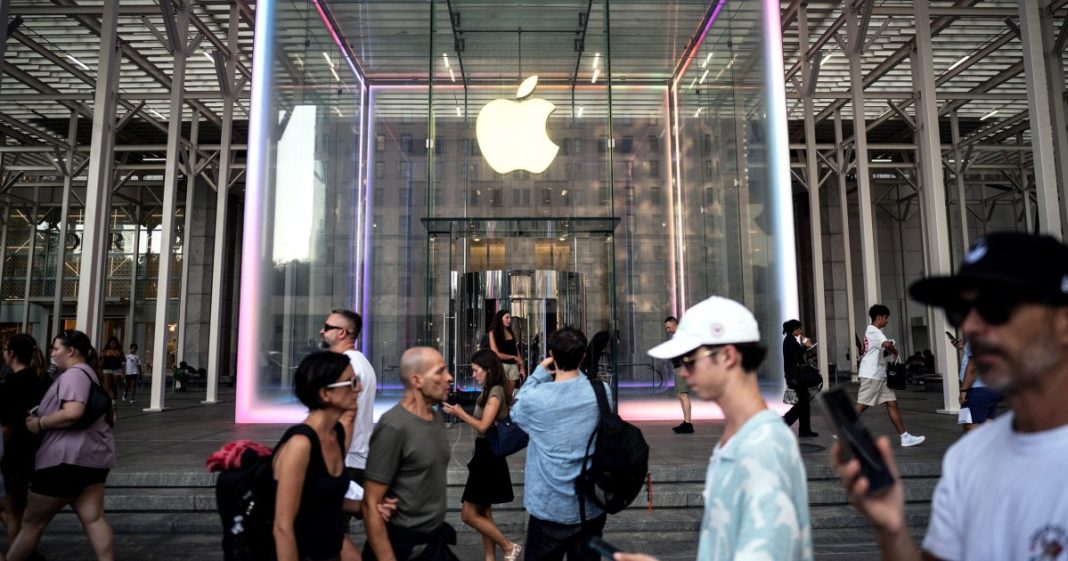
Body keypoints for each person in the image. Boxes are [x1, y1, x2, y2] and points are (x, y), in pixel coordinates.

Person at [832, 231, 1068, 561]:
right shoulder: (968, 458)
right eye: (960, 312)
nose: (971, 326)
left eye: (994, 306)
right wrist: (892, 528)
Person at [613, 296, 813, 561]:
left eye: (692, 359)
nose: (684, 372)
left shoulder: (762, 449)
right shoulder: (741, 438)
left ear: (728, 356)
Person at [8, 330, 115, 561]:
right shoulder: (91, 375)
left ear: (70, 351)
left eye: (56, 349)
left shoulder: (74, 375)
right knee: (94, 519)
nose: (52, 354)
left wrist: (41, 422)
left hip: (64, 460)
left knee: (31, 523)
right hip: (93, 460)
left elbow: (73, 412)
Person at [511, 326, 609, 561]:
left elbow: (516, 412)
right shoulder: (601, 392)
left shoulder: (536, 398)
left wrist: (538, 373)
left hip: (548, 508)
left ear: (552, 356)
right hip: (590, 507)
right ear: (583, 355)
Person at [362, 347, 454, 561]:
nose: (449, 378)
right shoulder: (394, 426)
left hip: (433, 542)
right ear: (417, 380)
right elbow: (371, 504)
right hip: (403, 547)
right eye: (440, 372)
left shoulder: (436, 419)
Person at [272, 351, 360, 561]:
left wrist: (363, 506)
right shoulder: (300, 445)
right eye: (351, 382)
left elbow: (320, 500)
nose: (359, 388)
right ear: (325, 394)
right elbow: (283, 527)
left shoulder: (335, 433)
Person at [441, 350, 522, 561]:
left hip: (488, 457)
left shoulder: (495, 392)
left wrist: (461, 414)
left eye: (476, 370)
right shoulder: (489, 389)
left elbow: (484, 426)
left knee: (468, 514)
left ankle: (508, 546)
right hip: (485, 455)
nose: (474, 375)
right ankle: (490, 557)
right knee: (484, 511)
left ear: (488, 370)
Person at [0, 334, 48, 548]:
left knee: (14, 512)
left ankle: (16, 555)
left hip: (13, 453)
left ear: (11, 354)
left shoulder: (11, 383)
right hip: (35, 450)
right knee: (19, 510)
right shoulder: (42, 379)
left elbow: (6, 424)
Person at [320, 309, 377, 488]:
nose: (322, 331)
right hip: (355, 458)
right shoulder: (360, 362)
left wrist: (335, 464)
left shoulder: (347, 365)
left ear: (342, 332)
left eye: (327, 327)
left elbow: (347, 417)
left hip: (347, 460)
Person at [856, 305, 925, 447]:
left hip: (879, 375)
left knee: (892, 403)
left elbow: (881, 349)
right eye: (886, 318)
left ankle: (905, 437)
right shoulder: (874, 331)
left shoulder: (873, 332)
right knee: (862, 405)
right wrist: (895, 351)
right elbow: (886, 344)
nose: (887, 321)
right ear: (880, 316)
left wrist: (889, 348)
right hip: (872, 375)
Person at [955, 338, 1001, 433]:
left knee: (971, 426)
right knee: (987, 425)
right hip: (992, 387)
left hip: (976, 390)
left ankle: (976, 447)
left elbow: (974, 366)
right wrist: (964, 348)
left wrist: (964, 390)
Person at [781, 319, 818, 437]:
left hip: (796, 376)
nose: (801, 331)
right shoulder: (790, 341)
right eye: (799, 328)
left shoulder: (790, 340)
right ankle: (785, 422)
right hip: (796, 376)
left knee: (804, 402)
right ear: (795, 329)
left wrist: (805, 347)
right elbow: (796, 356)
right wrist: (805, 347)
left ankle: (804, 429)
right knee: (802, 403)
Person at [664, 317, 694, 434]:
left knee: (683, 395)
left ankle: (688, 423)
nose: (667, 330)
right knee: (681, 395)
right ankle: (686, 422)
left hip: (682, 367)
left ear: (674, 324)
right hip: (679, 367)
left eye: (668, 327)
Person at [488, 310, 525, 396]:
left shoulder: (510, 331)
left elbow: (516, 351)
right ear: (500, 319)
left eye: (510, 317)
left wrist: (522, 367)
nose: (509, 320)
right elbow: (496, 353)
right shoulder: (492, 333)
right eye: (507, 317)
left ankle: (507, 409)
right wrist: (513, 357)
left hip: (513, 367)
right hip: (501, 366)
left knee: (509, 395)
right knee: (500, 393)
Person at [100, 337, 123, 402]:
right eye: (112, 343)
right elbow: (101, 361)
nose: (113, 344)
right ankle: (108, 401)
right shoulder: (105, 351)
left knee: (114, 386)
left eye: (115, 343)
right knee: (108, 386)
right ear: (109, 343)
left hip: (116, 369)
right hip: (107, 369)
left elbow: (123, 359)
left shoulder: (119, 350)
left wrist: (119, 355)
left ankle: (114, 401)